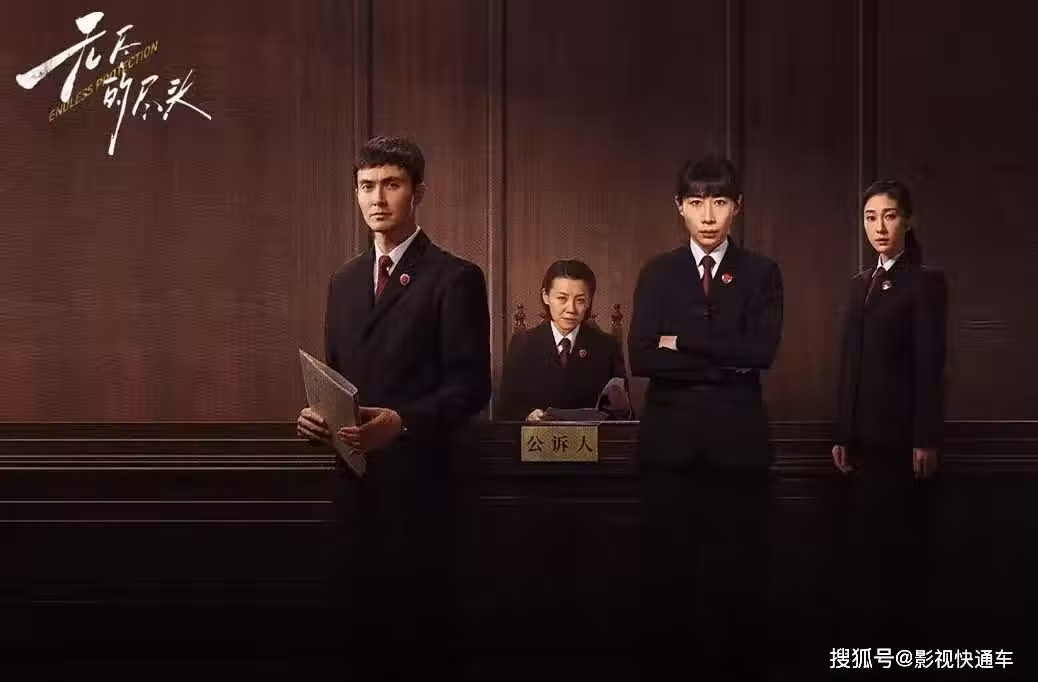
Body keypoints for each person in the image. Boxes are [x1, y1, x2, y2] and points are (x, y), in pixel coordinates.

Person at [295, 135, 491, 679]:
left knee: (422, 644)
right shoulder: (344, 281)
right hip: (355, 492)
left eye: (391, 185)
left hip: (423, 496)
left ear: (417, 192)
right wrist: (318, 418)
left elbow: (472, 387)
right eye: (366, 186)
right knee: (360, 643)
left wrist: (402, 424)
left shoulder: (455, 278)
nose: (377, 198)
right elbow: (339, 380)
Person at [628, 155, 783, 681]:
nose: (708, 215)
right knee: (663, 582)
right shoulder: (658, 272)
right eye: (696, 203)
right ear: (680, 207)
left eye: (719, 202)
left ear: (737, 206)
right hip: (668, 451)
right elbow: (643, 357)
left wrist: (682, 342)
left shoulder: (761, 272)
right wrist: (724, 358)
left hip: (737, 450)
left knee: (738, 583)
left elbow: (761, 352)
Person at [832, 179, 946, 652]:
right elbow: (849, 363)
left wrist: (925, 437)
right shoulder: (859, 283)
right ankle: (870, 651)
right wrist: (842, 433)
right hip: (861, 441)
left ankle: (906, 653)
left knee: (901, 555)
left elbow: (929, 364)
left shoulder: (924, 282)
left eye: (890, 215)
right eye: (870, 217)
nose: (879, 227)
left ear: (908, 220)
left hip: (901, 442)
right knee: (865, 555)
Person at [498, 259, 630, 420]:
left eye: (580, 300)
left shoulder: (607, 347)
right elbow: (506, 408)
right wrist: (527, 416)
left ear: (589, 301)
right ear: (546, 296)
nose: (571, 309)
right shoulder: (523, 344)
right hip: (538, 434)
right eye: (562, 298)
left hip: (591, 435)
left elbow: (622, 414)